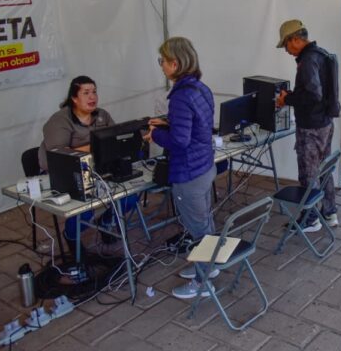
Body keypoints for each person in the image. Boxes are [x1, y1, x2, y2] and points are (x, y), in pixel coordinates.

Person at [144, 37, 219, 300]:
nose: (161, 66)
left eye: (162, 61)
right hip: (205, 166)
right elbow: (197, 126)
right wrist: (167, 123)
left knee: (198, 230)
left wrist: (155, 135)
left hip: (189, 174)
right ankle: (209, 267)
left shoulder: (180, 96)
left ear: (175, 63)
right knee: (205, 222)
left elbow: (179, 141)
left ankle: (202, 283)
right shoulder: (201, 88)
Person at [38, 76, 138, 249]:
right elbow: (58, 156)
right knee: (86, 206)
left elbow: (115, 139)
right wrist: (96, 147)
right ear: (74, 98)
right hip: (68, 172)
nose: (92, 97)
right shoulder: (60, 120)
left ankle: (105, 222)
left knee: (130, 197)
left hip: (99, 168)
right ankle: (71, 236)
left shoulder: (102, 115)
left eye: (94, 92)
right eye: (86, 93)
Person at [275, 19, 338, 230]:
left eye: (286, 45)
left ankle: (310, 219)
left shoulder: (308, 60)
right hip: (325, 122)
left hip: (311, 127)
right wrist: (292, 95)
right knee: (324, 169)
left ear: (295, 39)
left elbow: (313, 95)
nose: (286, 51)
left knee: (308, 173)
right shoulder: (321, 54)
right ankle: (329, 213)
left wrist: (287, 99)